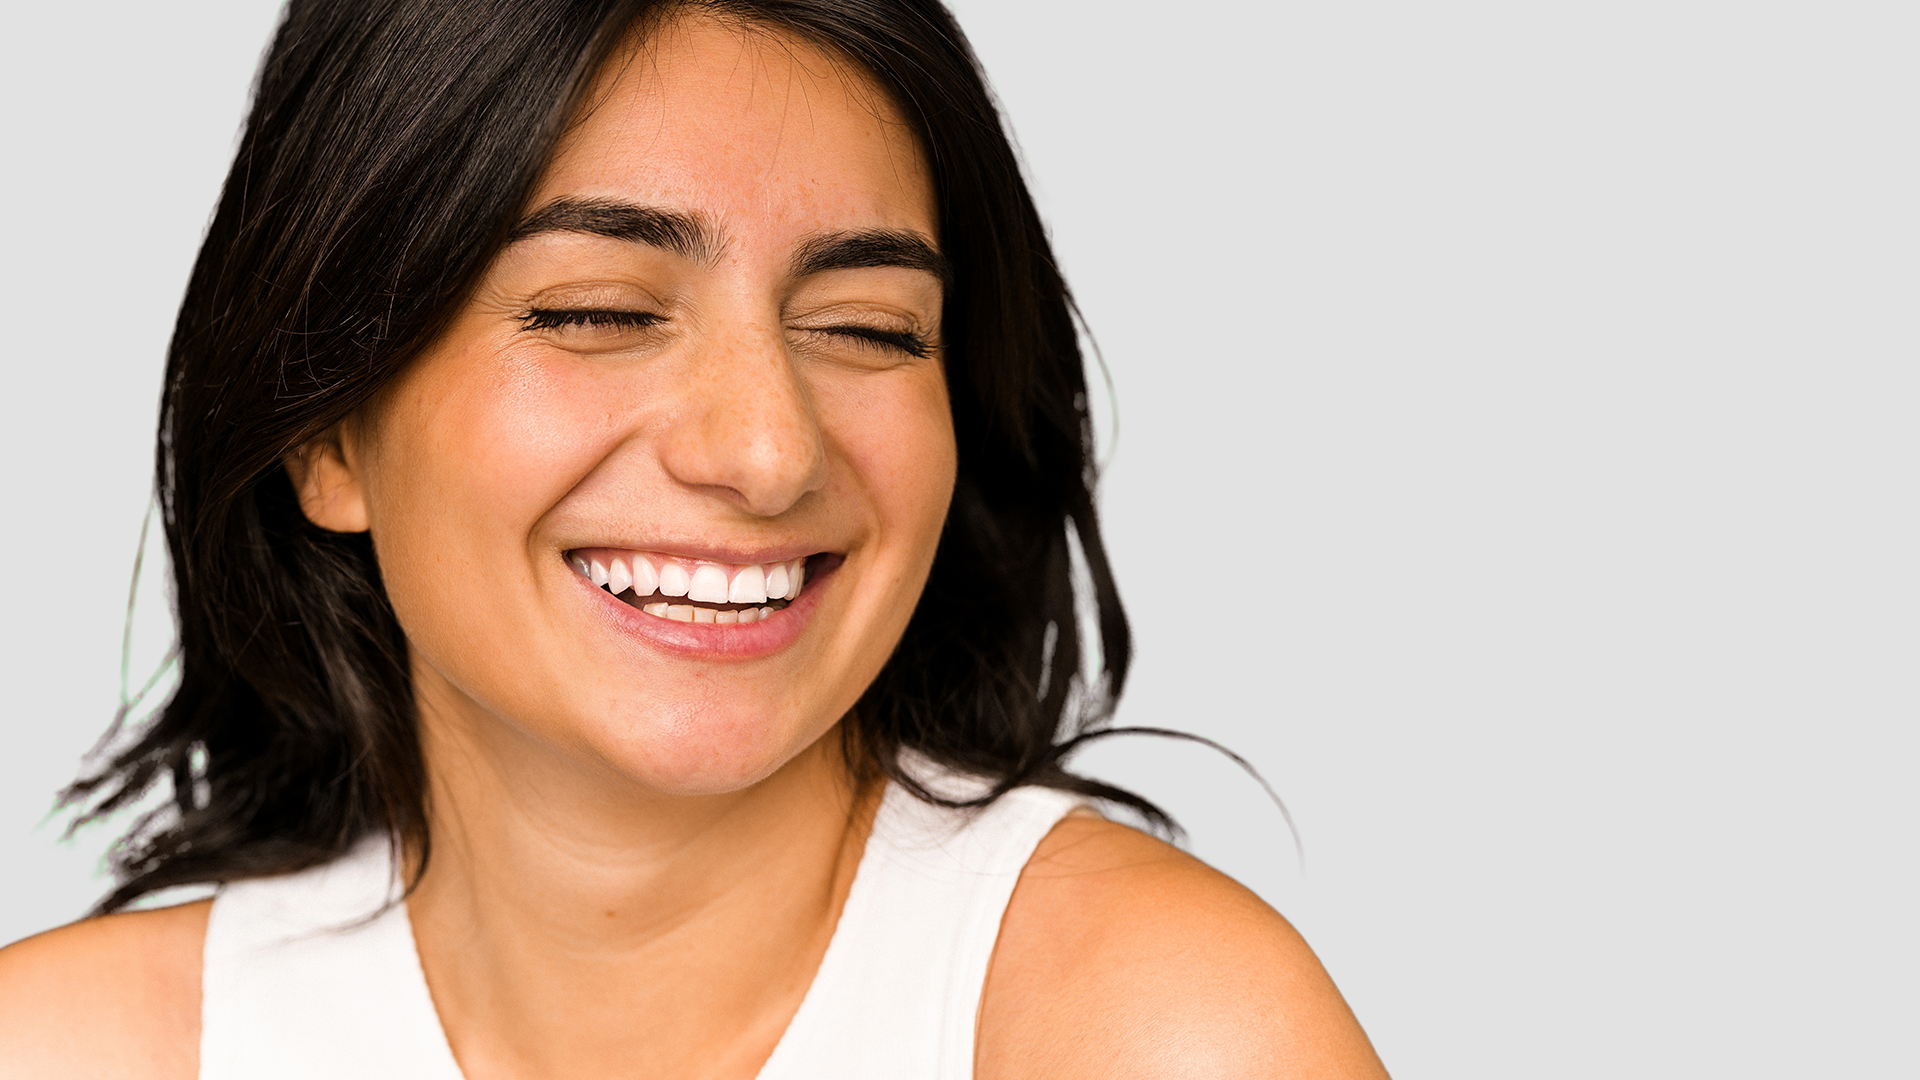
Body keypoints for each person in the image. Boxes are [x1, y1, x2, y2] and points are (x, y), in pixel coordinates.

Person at [0, 1, 1388, 1076]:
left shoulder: (1162, 1033)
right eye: (597, 312)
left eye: (868, 329)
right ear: (328, 434)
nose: (769, 452)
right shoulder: (63, 1050)